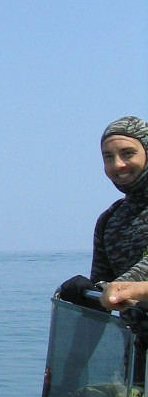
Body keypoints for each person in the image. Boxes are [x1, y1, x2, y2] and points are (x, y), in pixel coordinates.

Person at [59, 116, 148, 307]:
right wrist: (88, 292)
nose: (117, 164)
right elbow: (103, 293)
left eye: (127, 153)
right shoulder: (110, 219)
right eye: (108, 156)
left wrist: (119, 289)